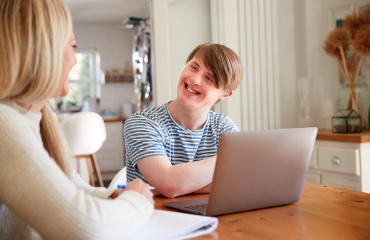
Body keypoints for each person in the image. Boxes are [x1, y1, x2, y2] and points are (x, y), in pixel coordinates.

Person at [0, 0, 154, 239]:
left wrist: (110, 196)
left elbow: (64, 183)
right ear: (42, 51)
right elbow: (85, 227)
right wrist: (137, 199)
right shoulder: (4, 121)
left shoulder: (35, 117)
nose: (74, 60)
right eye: (72, 46)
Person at [124, 43, 243, 198]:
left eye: (208, 78)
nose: (195, 80)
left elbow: (241, 180)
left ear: (225, 94)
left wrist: (179, 187)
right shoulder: (141, 123)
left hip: (206, 216)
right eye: (194, 67)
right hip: (154, 216)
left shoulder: (223, 126)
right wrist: (229, 158)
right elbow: (169, 184)